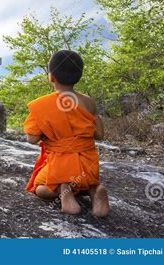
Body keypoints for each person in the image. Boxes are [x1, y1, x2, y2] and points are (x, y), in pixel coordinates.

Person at [24, 50, 110, 217]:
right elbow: (99, 134)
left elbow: (32, 138)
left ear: (51, 77)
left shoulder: (42, 105)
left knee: (39, 188)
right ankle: (95, 191)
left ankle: (63, 189)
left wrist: (49, 132)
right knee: (87, 183)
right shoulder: (88, 102)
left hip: (61, 164)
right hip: (88, 165)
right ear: (78, 76)